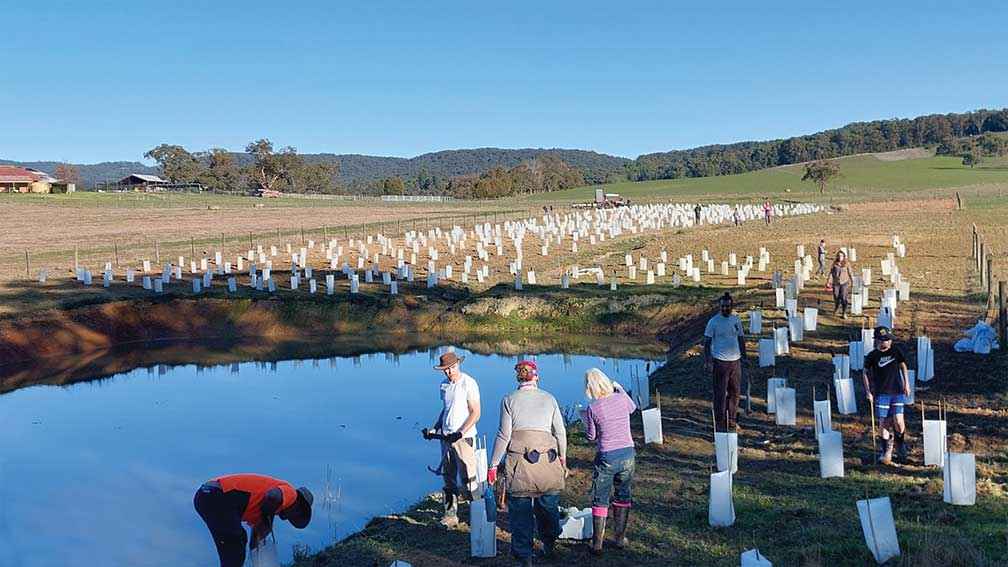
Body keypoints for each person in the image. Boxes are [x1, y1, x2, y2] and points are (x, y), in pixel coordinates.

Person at [487, 360, 567, 567]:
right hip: (547, 461)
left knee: (520, 513)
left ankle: (525, 557)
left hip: (520, 464)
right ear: (536, 376)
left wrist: (493, 465)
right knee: (548, 506)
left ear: (518, 378)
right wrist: (562, 458)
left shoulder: (509, 400)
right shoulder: (549, 398)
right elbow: (560, 432)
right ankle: (549, 543)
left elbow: (504, 435)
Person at [193, 474, 312, 567]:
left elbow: (255, 540)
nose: (286, 519)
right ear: (298, 507)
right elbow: (272, 496)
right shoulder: (291, 494)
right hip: (217, 495)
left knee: (231, 547)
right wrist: (267, 518)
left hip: (206, 496)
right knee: (236, 544)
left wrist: (257, 557)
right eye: (294, 516)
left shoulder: (260, 507)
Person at [581, 368, 637, 557]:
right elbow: (633, 408)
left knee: (600, 499)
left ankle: (597, 544)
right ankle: (620, 539)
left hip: (606, 457)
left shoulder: (593, 408)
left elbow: (591, 436)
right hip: (627, 453)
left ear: (589, 388)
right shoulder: (621, 398)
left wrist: (586, 422)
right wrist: (620, 388)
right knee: (623, 495)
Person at [423, 351, 481, 527]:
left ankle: (477, 515)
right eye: (446, 369)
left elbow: (476, 412)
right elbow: (446, 410)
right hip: (446, 438)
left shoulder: (469, 383)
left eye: (452, 367)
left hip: (464, 438)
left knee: (469, 478)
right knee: (448, 478)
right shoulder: (444, 385)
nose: (449, 372)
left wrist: (461, 432)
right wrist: (435, 429)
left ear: (458, 364)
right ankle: (450, 515)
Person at [862, 327, 911, 464]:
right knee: (884, 423)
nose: (889, 342)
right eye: (886, 340)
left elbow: (903, 366)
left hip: (897, 391)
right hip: (881, 394)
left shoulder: (896, 351)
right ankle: (886, 450)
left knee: (898, 421)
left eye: (889, 339)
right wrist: (868, 391)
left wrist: (907, 383)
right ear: (878, 340)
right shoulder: (872, 356)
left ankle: (900, 444)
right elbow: (864, 372)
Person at [703, 292, 746, 431]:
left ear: (731, 306)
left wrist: (744, 356)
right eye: (723, 306)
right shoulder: (713, 322)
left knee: (735, 393)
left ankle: (732, 420)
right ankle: (720, 422)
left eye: (728, 306)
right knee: (720, 394)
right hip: (720, 362)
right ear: (719, 306)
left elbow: (741, 338)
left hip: (735, 362)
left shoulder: (736, 320)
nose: (725, 309)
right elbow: (707, 342)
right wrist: (708, 361)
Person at [826, 250, 855, 319]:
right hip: (836, 283)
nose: (840, 257)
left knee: (843, 297)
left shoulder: (847, 264)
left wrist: (853, 281)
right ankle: (836, 307)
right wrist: (828, 282)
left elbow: (850, 273)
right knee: (836, 297)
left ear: (844, 256)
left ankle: (844, 312)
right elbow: (831, 273)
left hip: (844, 283)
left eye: (841, 256)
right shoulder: (834, 264)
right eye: (839, 256)